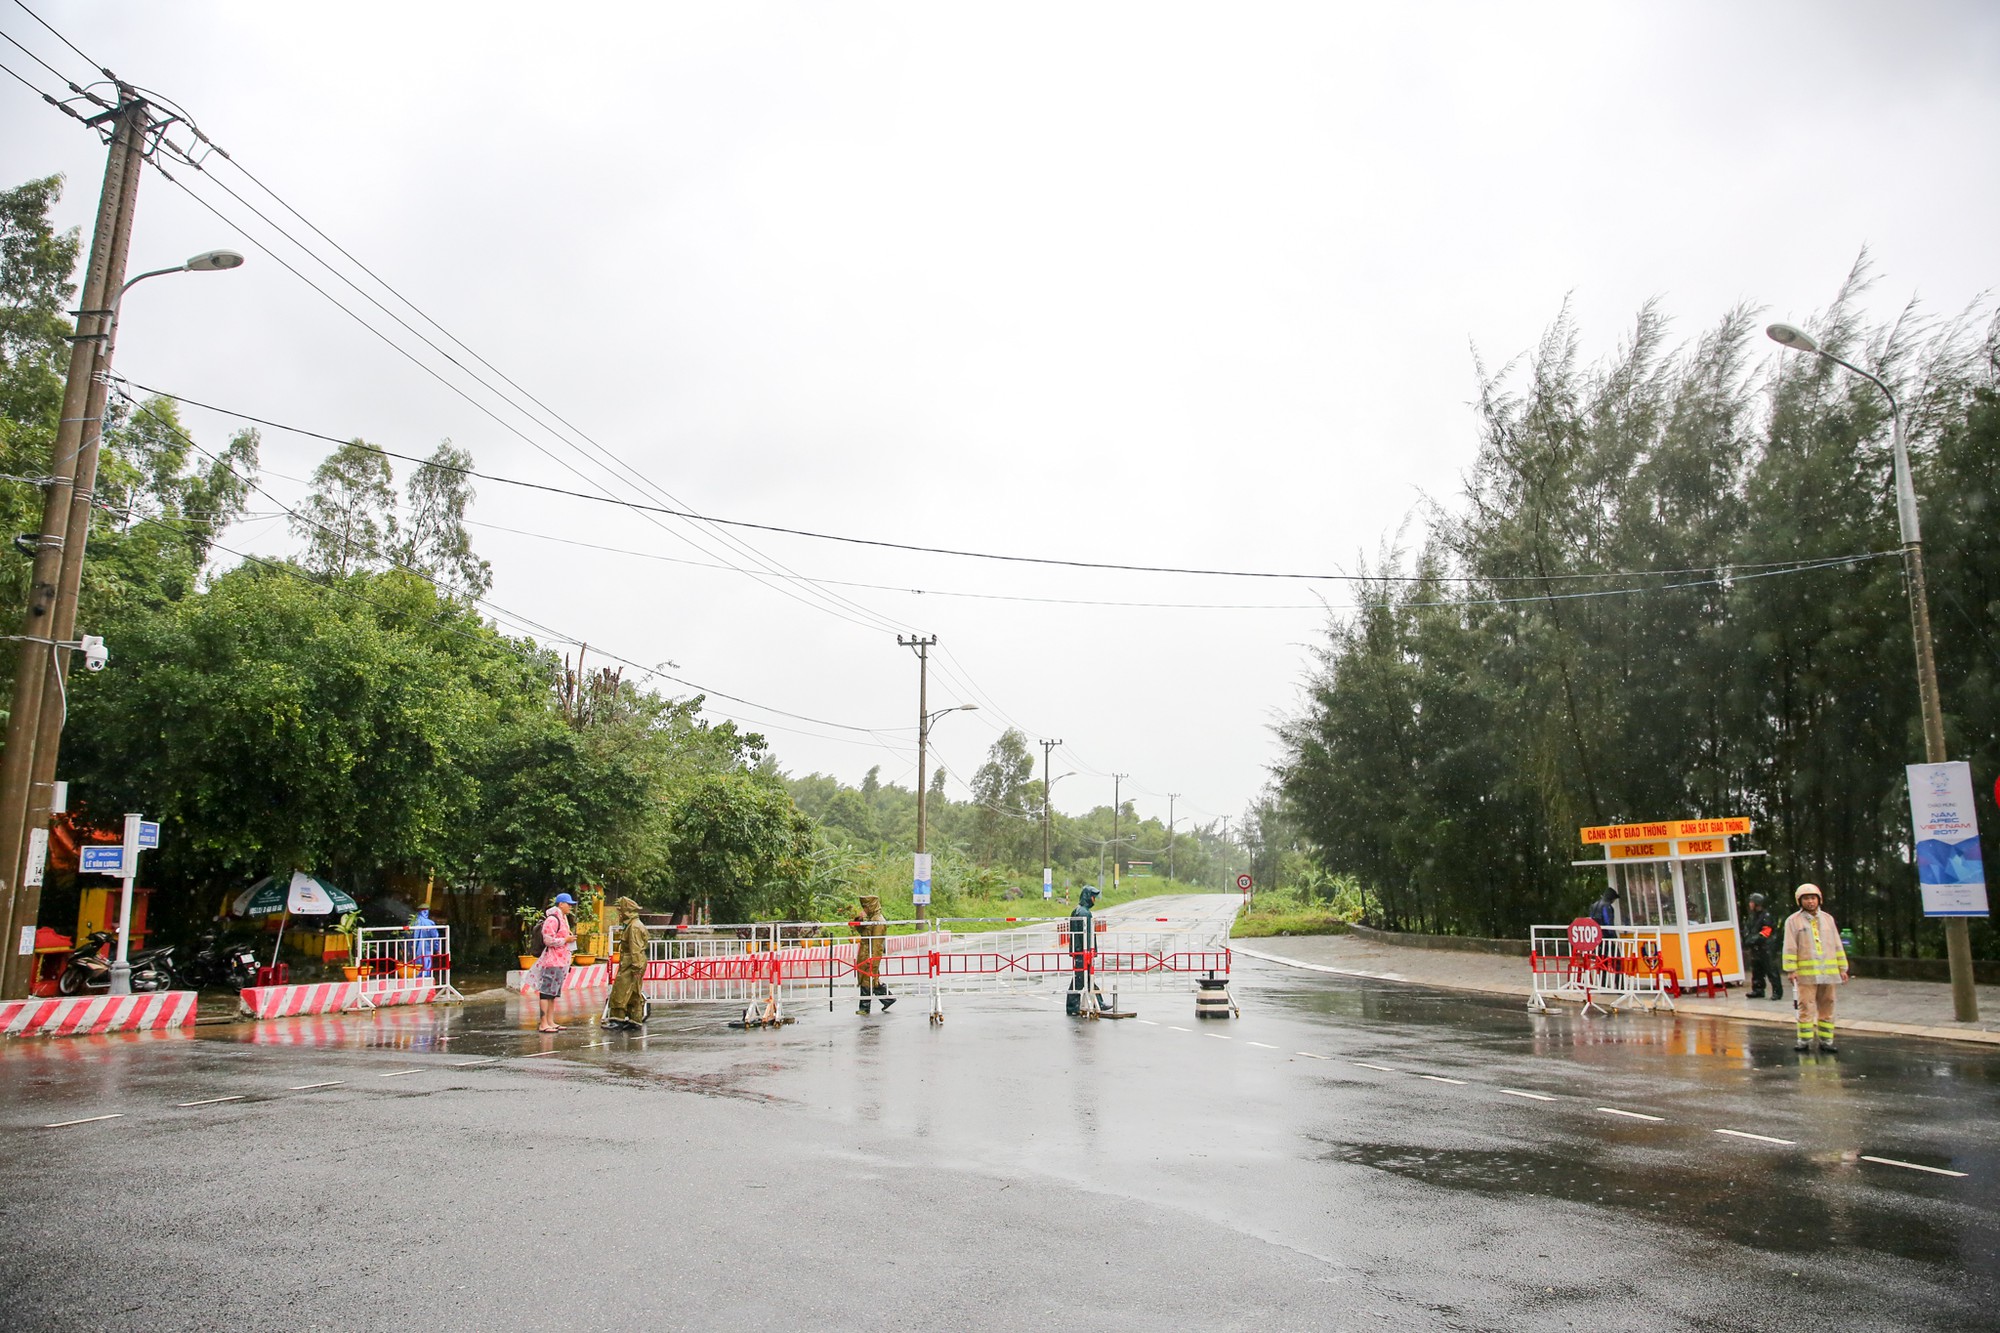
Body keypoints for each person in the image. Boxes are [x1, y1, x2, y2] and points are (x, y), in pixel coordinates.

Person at [1782, 883, 1849, 1054]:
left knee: (1828, 1005)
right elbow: (1790, 947)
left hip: (1828, 973)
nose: (1810, 902)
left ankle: (1826, 1041)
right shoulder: (1793, 921)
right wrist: (1791, 970)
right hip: (1806, 975)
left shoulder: (1828, 919)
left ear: (1819, 899)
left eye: (1813, 898)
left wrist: (1843, 968)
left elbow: (1836, 944)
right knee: (1806, 1006)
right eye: (1806, 898)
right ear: (1800, 901)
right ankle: (1804, 1040)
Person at [602, 897, 649, 1030]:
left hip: (632, 962)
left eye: (620, 910)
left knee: (621, 991)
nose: (619, 914)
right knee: (633, 991)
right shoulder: (633, 924)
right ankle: (635, 1019)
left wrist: (636, 967)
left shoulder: (634, 927)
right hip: (634, 961)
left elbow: (635, 949)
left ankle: (618, 1019)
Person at [535, 892, 577, 1033]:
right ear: (561, 904)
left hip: (561, 961)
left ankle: (550, 1021)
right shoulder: (552, 920)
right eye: (568, 904)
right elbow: (548, 940)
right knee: (546, 993)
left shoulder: (563, 918)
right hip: (551, 961)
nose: (570, 907)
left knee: (553, 994)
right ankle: (543, 1023)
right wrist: (565, 940)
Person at [853, 894, 895, 1014]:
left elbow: (877, 944)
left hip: (870, 954)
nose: (864, 909)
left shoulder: (878, 922)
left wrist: (874, 960)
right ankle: (888, 999)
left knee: (868, 978)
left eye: (866, 906)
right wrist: (859, 920)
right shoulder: (871, 920)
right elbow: (862, 932)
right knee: (870, 978)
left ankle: (864, 1008)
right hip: (864, 952)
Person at [1066, 885, 1100, 1016]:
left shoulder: (1077, 910)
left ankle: (1099, 1002)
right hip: (1083, 952)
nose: (1094, 900)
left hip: (1078, 951)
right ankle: (1071, 1007)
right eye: (1093, 897)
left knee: (1086, 978)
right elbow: (1087, 935)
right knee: (1080, 979)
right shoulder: (1085, 913)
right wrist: (1091, 952)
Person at [1742, 892, 1784, 1000]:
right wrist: (1747, 937)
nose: (1750, 904)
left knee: (1771, 969)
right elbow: (1748, 928)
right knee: (1756, 970)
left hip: (1766, 948)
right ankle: (1758, 989)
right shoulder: (1752, 916)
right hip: (1755, 948)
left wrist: (1752, 939)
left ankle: (1777, 991)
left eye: (1751, 902)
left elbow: (1766, 932)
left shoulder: (1766, 916)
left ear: (1757, 903)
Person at [411, 906, 440, 977]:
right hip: (426, 947)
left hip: (413, 947)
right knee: (426, 963)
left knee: (415, 965)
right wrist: (437, 949)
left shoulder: (413, 922)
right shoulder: (430, 923)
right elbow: (435, 937)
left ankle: (416, 978)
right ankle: (425, 979)